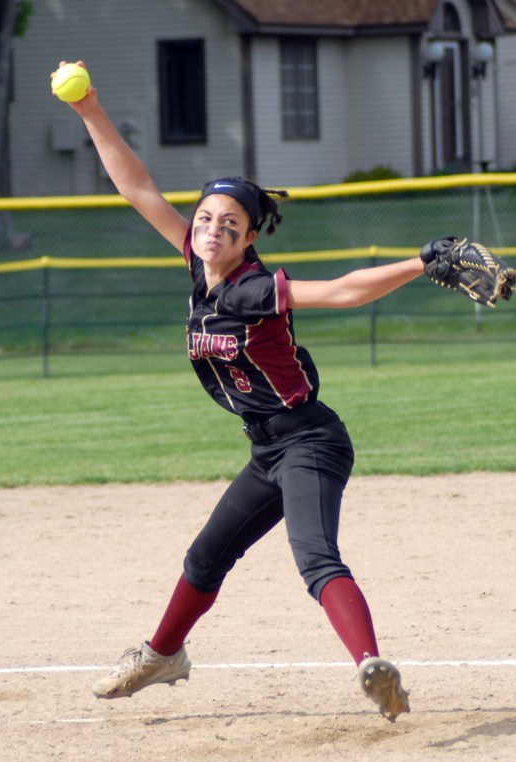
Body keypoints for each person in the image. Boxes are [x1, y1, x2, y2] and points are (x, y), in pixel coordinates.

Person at [60, 62, 427, 722]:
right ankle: (163, 655)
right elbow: (138, 186)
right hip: (266, 451)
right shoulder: (198, 267)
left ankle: (372, 665)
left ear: (251, 237)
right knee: (205, 557)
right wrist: (90, 109)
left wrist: (423, 264)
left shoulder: (253, 288)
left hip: (310, 441)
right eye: (206, 216)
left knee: (315, 558)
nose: (213, 227)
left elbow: (343, 291)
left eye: (231, 222)